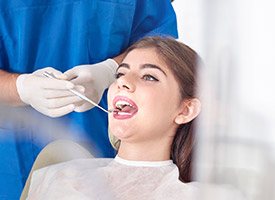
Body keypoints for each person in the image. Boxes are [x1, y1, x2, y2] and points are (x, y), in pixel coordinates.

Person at [0, 1, 178, 199]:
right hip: (14, 154)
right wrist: (20, 87)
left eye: (148, 78)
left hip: (104, 140)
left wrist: (111, 70)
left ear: (187, 109)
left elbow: (162, 46)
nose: (125, 84)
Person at [27, 36, 202, 199]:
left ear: (185, 110)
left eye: (149, 77)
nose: (122, 82)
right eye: (119, 74)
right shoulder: (59, 177)